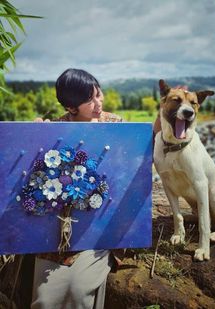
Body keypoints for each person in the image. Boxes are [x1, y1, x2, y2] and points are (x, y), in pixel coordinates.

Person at [31, 68, 123, 309]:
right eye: (89, 100)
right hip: (58, 227)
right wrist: (33, 137)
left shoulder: (115, 124)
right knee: (46, 298)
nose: (98, 103)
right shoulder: (56, 129)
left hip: (99, 223)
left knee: (80, 288)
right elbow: (34, 176)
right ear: (72, 107)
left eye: (99, 95)